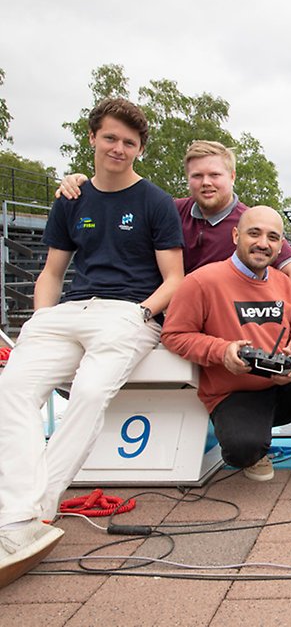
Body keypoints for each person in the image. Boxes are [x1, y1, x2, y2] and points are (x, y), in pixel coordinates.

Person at [0, 98, 184, 587]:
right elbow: (52, 272)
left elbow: (174, 278)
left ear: (139, 149)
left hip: (128, 314)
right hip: (69, 312)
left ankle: (31, 513)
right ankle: (20, 509)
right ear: (93, 139)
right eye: (110, 138)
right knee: (13, 387)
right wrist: (41, 320)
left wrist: (143, 313)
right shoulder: (71, 198)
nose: (118, 148)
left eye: (128, 142)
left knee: (88, 393)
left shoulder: (155, 202)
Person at [56, 140, 291, 356]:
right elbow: (121, 201)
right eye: (197, 176)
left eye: (215, 175)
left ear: (232, 176)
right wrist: (85, 183)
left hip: (223, 332)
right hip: (171, 324)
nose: (206, 182)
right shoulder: (169, 210)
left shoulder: (252, 224)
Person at [161, 207, 291, 489]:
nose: (263, 243)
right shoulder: (202, 281)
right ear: (235, 235)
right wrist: (221, 351)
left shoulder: (284, 284)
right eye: (254, 233)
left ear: (280, 245)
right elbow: (174, 335)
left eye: (273, 237)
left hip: (282, 389)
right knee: (241, 452)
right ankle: (255, 448)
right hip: (234, 395)